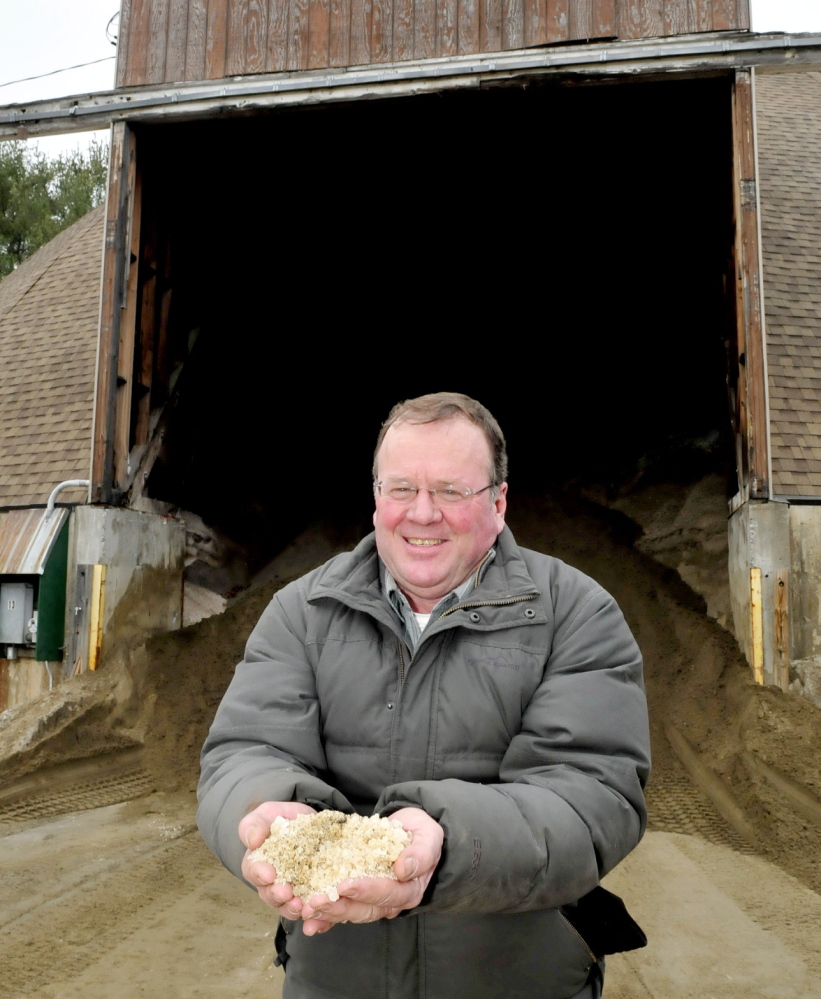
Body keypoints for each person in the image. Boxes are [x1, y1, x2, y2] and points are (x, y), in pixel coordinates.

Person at [197, 392, 651, 999]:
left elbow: (593, 798)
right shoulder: (301, 613)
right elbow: (242, 752)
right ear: (377, 497)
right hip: (335, 981)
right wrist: (265, 813)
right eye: (401, 488)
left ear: (499, 501)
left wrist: (447, 843)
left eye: (451, 491)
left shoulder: (576, 614)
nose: (422, 513)